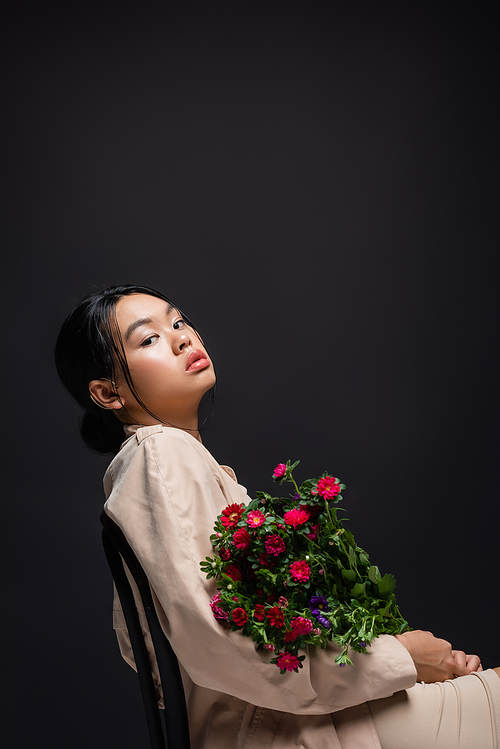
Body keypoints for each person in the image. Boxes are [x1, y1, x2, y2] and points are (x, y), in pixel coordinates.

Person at [55, 284, 500, 749]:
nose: (182, 338)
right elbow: (221, 641)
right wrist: (402, 656)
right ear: (108, 393)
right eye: (149, 339)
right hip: (279, 732)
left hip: (296, 716)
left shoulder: (177, 462)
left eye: (179, 322)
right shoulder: (160, 455)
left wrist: (413, 663)